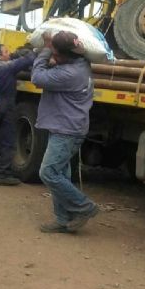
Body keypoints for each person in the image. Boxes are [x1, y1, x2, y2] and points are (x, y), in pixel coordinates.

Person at [31, 31, 99, 233]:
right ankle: (63, 219)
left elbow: (37, 77)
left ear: (61, 55)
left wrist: (45, 50)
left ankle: (84, 206)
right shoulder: (79, 64)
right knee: (60, 174)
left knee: (48, 172)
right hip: (67, 125)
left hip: (67, 129)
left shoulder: (69, 74)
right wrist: (53, 52)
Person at [0, 44, 36, 185]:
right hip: (5, 109)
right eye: (7, 52)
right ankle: (4, 174)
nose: (9, 53)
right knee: (7, 142)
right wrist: (24, 52)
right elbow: (29, 59)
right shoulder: (7, 67)